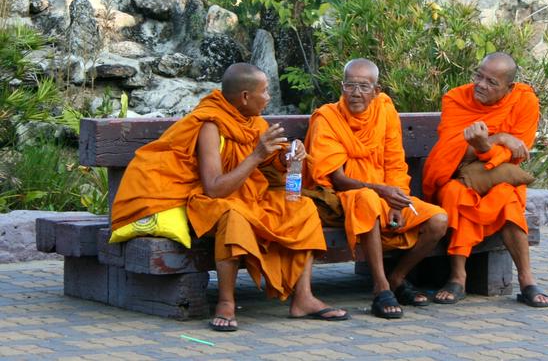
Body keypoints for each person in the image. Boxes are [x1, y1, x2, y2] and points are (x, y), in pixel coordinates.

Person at [111, 63, 349, 332]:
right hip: (210, 202)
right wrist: (257, 155)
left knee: (302, 207)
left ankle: (303, 297)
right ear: (245, 97)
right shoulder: (210, 125)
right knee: (234, 218)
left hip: (249, 196)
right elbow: (214, 187)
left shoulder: (252, 121)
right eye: (265, 91)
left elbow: (269, 161)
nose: (269, 97)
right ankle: (226, 301)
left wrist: (286, 158)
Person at [305, 58, 448, 319]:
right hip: (346, 196)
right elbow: (336, 178)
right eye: (350, 85)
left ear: (376, 89)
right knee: (368, 200)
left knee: (438, 220)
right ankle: (380, 287)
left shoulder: (384, 110)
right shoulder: (327, 117)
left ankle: (397, 277)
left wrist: (395, 198)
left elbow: (394, 161)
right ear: (341, 86)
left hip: (385, 192)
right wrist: (381, 192)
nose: (355, 93)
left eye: (363, 86)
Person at [422, 52, 548, 307]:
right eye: (478, 76)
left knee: (508, 198)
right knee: (453, 193)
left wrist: (484, 146)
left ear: (509, 87)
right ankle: (458, 276)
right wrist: (499, 139)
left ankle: (526, 279)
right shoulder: (456, 98)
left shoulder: (524, 100)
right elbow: (451, 153)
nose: (480, 85)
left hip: (499, 176)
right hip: (458, 175)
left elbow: (516, 154)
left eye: (492, 82)